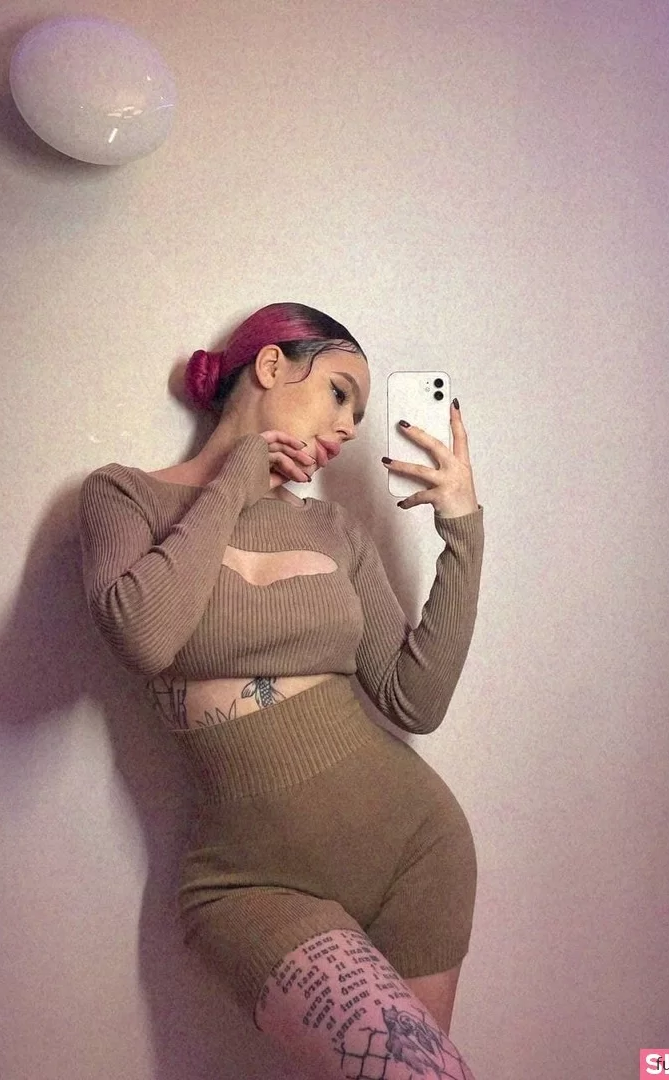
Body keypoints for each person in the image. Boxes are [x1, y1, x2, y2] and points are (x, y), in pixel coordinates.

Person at [78, 302, 484, 1079]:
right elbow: (143, 634)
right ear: (270, 366)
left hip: (418, 851)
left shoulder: (335, 530)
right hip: (252, 884)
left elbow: (415, 699)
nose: (349, 426)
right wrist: (237, 478)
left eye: (358, 412)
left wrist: (463, 531)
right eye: (338, 392)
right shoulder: (124, 496)